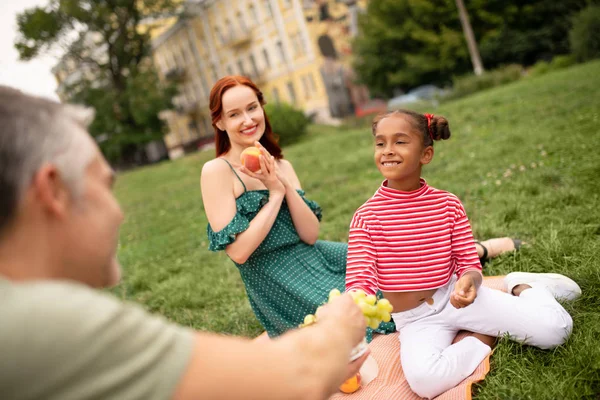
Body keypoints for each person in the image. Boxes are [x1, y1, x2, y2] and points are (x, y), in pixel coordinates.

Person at [0, 85, 370, 400]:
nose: (121, 214)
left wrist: (281, 188)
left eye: (253, 108)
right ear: (53, 191)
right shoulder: (45, 325)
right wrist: (339, 329)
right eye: (106, 185)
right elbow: (289, 376)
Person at [201, 75, 519, 340]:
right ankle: (479, 253)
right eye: (234, 114)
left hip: (314, 254)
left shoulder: (282, 163)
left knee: (397, 262)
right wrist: (274, 195)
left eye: (252, 108)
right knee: (370, 315)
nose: (247, 120)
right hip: (274, 278)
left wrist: (283, 184)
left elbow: (310, 234)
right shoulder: (217, 172)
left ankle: (476, 252)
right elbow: (239, 253)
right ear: (219, 121)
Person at [344, 109, 582, 399]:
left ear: (426, 154)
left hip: (456, 299)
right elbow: (360, 278)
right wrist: (355, 305)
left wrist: (470, 281)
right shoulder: (366, 217)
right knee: (425, 382)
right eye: (380, 143)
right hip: (415, 320)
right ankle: (483, 337)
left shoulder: (448, 204)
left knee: (555, 332)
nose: (388, 151)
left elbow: (468, 263)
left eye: (400, 142)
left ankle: (525, 287)